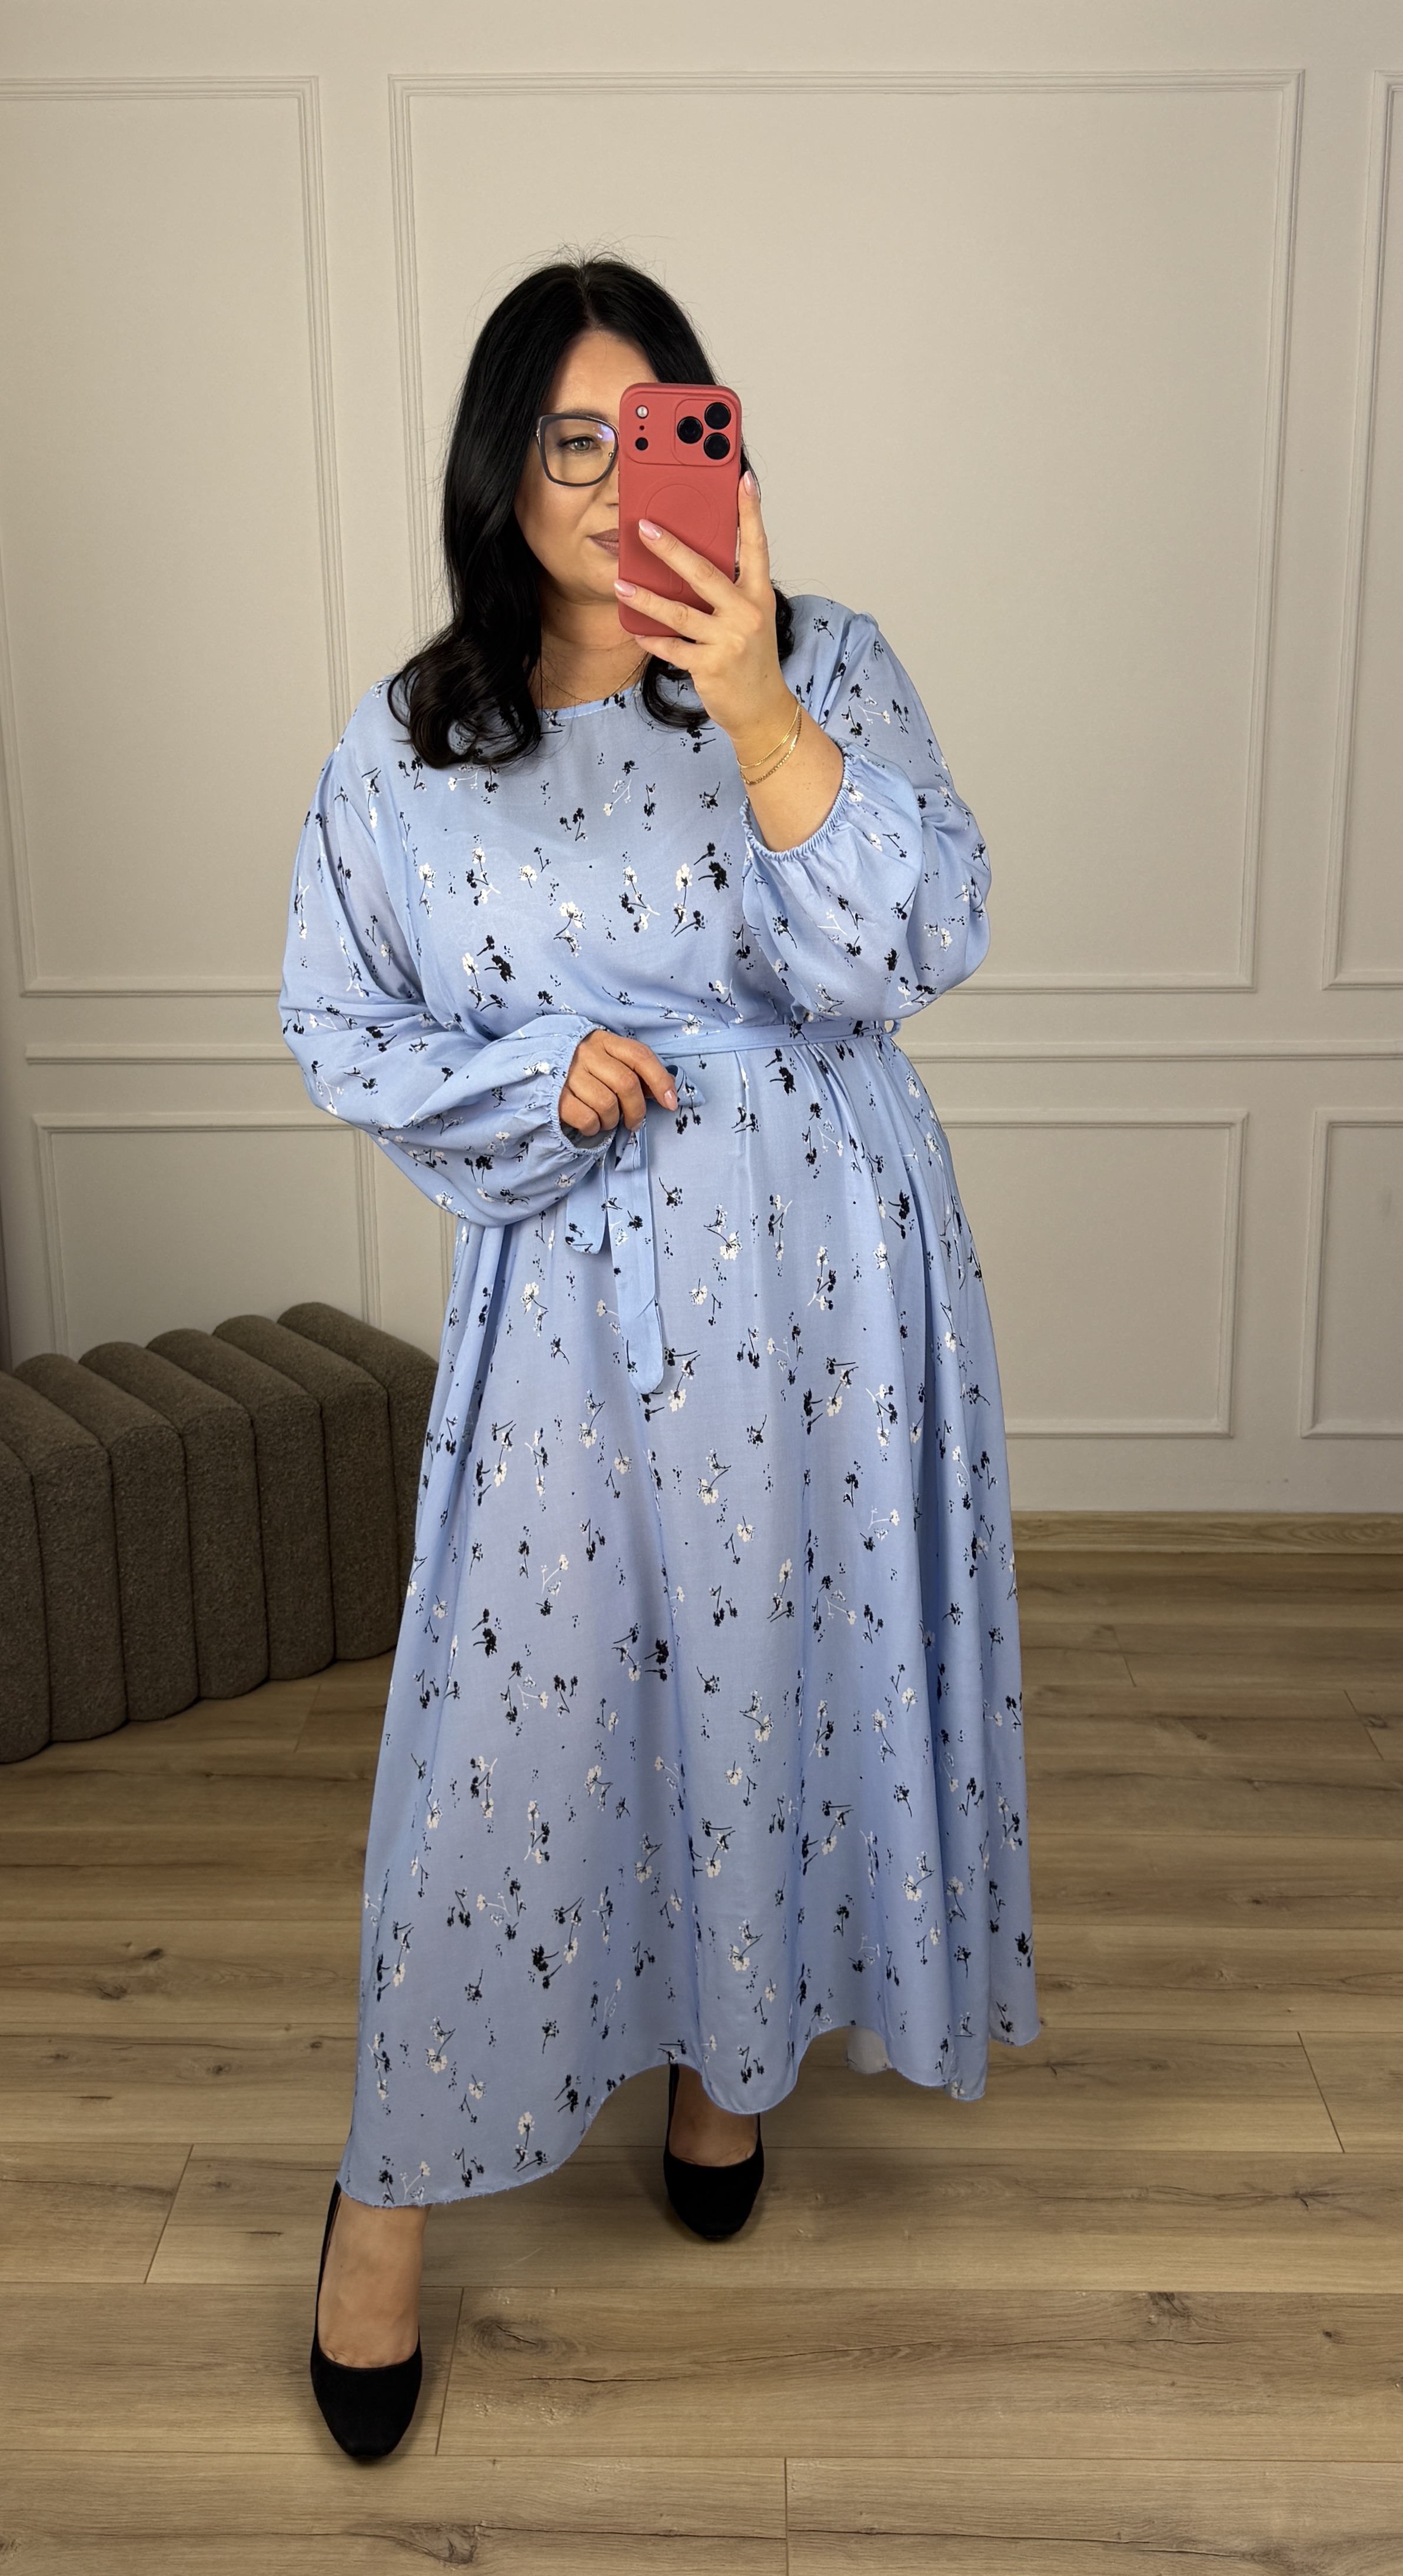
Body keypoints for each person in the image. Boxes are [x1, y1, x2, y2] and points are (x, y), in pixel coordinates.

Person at [279, 255, 1038, 2458]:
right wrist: (530, 1083)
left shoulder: (830, 661)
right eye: (570, 444)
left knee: (786, 1673)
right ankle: (385, 2202)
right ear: (501, 473)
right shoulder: (419, 738)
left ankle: (729, 2070)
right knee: (513, 1737)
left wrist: (768, 706)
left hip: (835, 1289)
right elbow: (341, 1010)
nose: (617, 488)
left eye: (658, 434)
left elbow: (925, 933)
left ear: (724, 447)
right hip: (583, 1300)